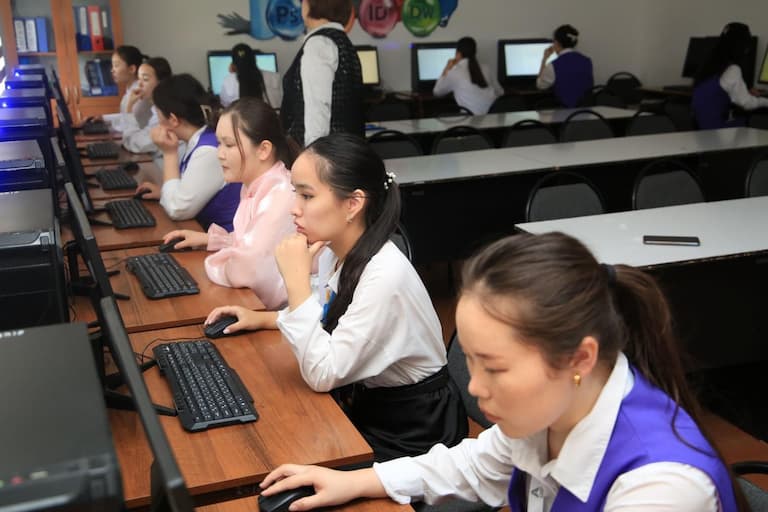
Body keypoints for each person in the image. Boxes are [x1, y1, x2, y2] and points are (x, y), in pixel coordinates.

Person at [257, 232, 743, 512]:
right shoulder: (557, 405)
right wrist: (359, 481)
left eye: (494, 367)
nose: (474, 387)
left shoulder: (661, 489)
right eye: (470, 359)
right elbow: (473, 464)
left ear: (579, 358)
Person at [206, 133, 467, 461]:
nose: (294, 209)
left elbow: (323, 373)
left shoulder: (384, 276)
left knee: (278, 452)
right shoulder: (337, 249)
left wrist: (296, 283)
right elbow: (324, 310)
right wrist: (262, 318)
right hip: (371, 404)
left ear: (353, 204)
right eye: (295, 193)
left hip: (416, 430)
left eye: (307, 195)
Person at [161, 98, 297, 309]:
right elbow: (253, 242)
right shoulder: (258, 184)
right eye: (219, 143)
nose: (220, 154)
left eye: (229, 145)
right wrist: (212, 240)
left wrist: (211, 264)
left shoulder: (280, 193)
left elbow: (248, 269)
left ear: (263, 150)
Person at [135, 74, 240, 231]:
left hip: (224, 239)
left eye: (158, 115)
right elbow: (190, 191)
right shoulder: (202, 137)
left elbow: (177, 209)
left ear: (173, 120)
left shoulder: (208, 151)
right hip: (208, 234)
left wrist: (169, 153)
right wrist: (165, 193)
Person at [280, 0, 364, 147]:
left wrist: (314, 155)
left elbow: (317, 111)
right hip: (344, 150)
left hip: (323, 153)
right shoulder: (342, 41)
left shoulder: (318, 44)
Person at [693, 22, 768, 130]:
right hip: (717, 132)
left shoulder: (709, 67)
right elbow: (746, 103)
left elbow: (721, 91)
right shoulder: (732, 69)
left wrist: (745, 91)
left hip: (702, 132)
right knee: (755, 123)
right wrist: (765, 101)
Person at [433, 37, 503, 115]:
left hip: (469, 120)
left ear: (458, 54)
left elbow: (437, 92)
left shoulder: (454, 73)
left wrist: (447, 68)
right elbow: (500, 92)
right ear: (475, 52)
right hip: (491, 118)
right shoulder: (486, 68)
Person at [121, 57, 172, 155]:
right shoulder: (157, 109)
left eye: (145, 79)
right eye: (139, 79)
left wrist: (129, 107)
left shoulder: (164, 114)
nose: (139, 84)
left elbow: (134, 143)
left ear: (161, 83)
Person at [536, 25, 594, 108]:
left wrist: (544, 59)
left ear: (557, 43)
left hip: (565, 112)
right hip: (586, 111)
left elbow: (540, 85)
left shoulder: (554, 65)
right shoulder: (587, 61)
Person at [102, 45, 153, 131]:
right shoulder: (130, 91)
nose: (112, 70)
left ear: (131, 69)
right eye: (112, 66)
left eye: (116, 65)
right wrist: (103, 118)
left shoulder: (139, 93)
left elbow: (128, 124)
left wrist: (106, 123)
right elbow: (124, 117)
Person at [220, 43, 283, 109]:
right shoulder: (275, 77)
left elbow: (225, 105)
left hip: (241, 115)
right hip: (271, 114)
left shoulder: (228, 81)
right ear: (255, 59)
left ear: (233, 64)